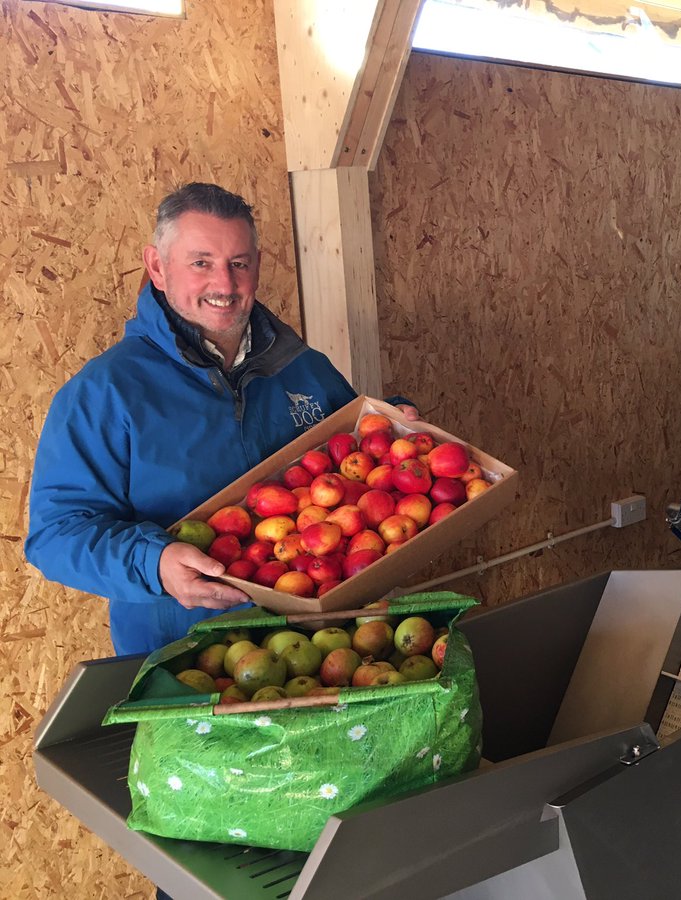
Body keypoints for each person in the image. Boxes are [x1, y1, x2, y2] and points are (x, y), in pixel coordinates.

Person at [26, 182, 417, 657]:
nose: (225, 285)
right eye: (201, 263)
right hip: (187, 660)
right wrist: (157, 562)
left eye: (239, 263)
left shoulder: (301, 365)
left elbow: (352, 453)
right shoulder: (104, 394)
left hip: (327, 645)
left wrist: (395, 423)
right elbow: (57, 533)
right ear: (157, 267)